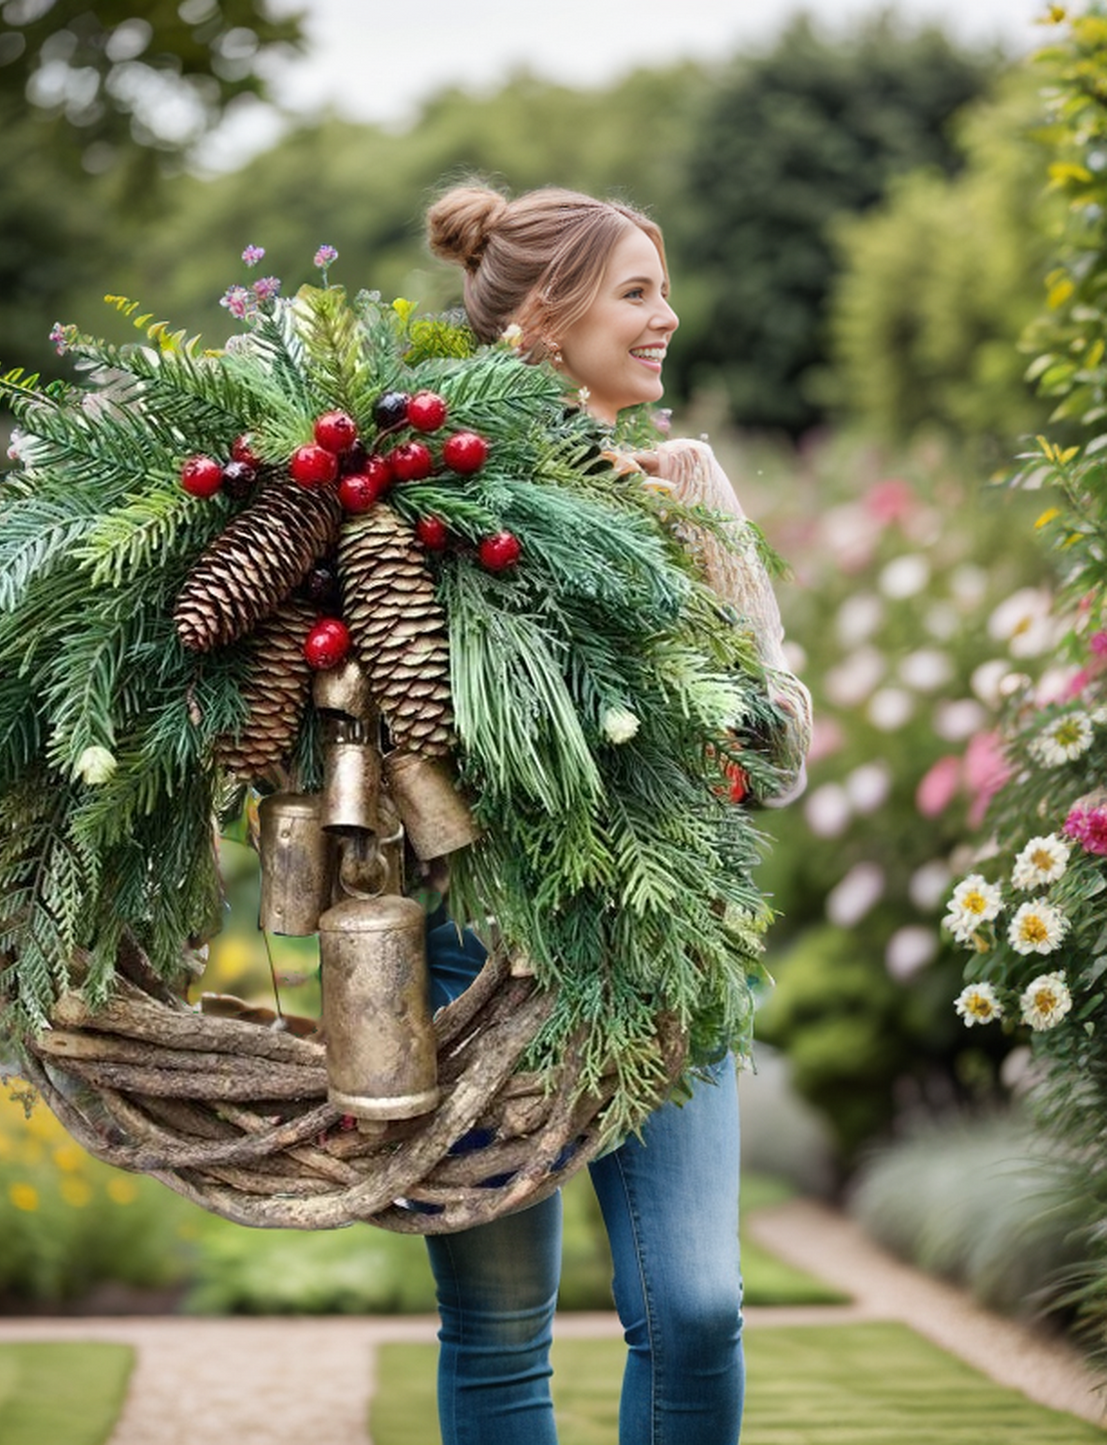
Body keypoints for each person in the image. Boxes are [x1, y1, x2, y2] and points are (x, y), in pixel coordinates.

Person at [420, 182, 812, 1445]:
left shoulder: (687, 480)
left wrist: (722, 709)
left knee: (692, 1306)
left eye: (660, 288)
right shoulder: (429, 490)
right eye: (634, 291)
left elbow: (782, 734)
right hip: (472, 947)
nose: (666, 317)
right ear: (543, 318)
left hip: (661, 943)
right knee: (494, 1332)